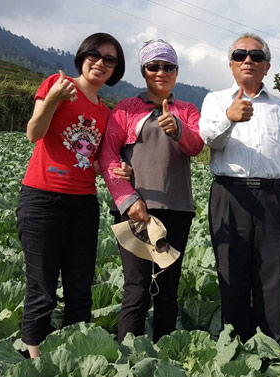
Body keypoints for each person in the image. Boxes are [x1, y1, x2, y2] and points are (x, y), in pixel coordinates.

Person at [16, 32, 128, 358]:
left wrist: (119, 170)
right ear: (82, 55)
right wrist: (53, 98)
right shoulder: (57, 83)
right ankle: (36, 359)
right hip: (42, 198)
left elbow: (92, 163)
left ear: (115, 70)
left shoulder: (104, 113)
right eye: (95, 54)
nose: (101, 63)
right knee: (42, 287)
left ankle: (73, 353)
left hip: (83, 204)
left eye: (110, 60)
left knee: (80, 287)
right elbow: (33, 133)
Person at [98, 39, 204, 343]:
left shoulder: (186, 109)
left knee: (168, 287)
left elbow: (197, 146)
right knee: (137, 286)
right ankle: (128, 357)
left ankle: (164, 354)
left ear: (176, 72)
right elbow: (108, 154)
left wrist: (179, 130)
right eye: (153, 66)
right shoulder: (127, 109)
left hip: (177, 209)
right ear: (143, 70)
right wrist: (126, 198)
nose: (161, 72)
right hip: (136, 209)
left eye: (168, 67)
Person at [199, 33, 280, 343]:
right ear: (231, 65)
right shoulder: (215, 100)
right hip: (230, 194)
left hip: (273, 196)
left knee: (271, 274)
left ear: (266, 66)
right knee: (232, 272)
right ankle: (236, 340)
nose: (248, 60)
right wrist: (229, 119)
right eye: (240, 55)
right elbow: (210, 140)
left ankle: (271, 339)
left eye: (256, 56)